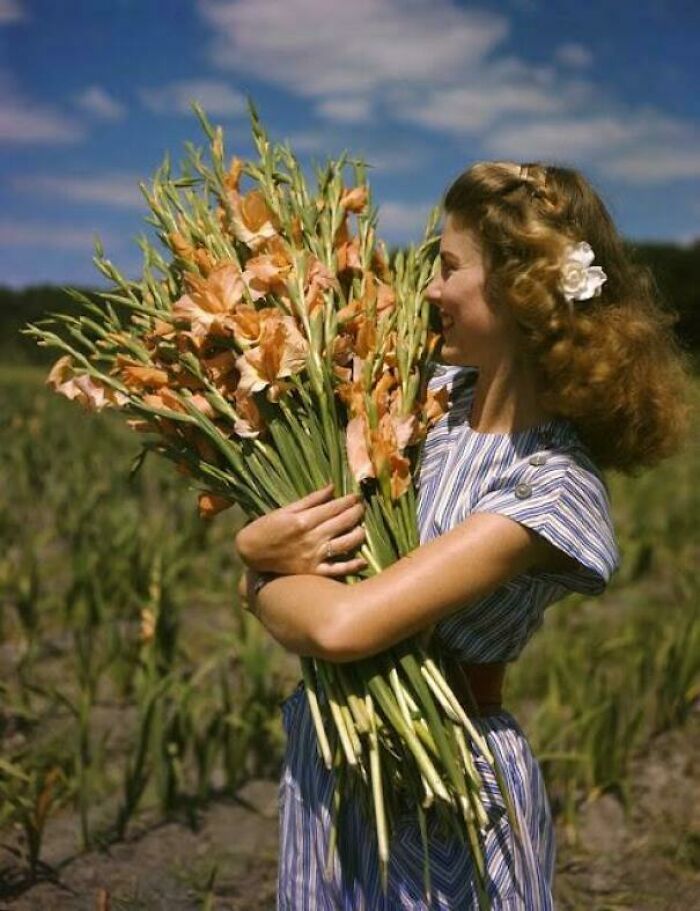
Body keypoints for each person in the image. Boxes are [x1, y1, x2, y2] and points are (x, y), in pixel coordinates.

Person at [234, 161, 693, 909]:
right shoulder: (427, 404)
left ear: (518, 289)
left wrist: (256, 572)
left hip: (445, 789)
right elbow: (319, 592)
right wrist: (264, 566)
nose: (430, 291)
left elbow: (345, 624)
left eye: (449, 268)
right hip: (336, 765)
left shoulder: (551, 489)